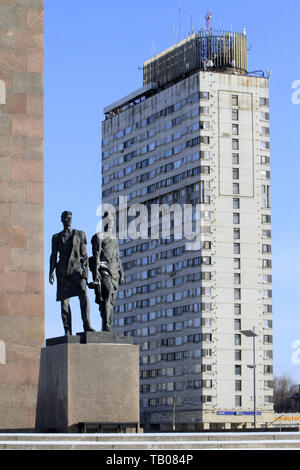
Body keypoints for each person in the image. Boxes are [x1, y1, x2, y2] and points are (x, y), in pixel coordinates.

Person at [49, 211, 94, 335]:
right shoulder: (56, 237)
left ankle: (87, 325)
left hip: (77, 271)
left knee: (84, 293)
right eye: (66, 217)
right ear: (62, 220)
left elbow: (85, 255)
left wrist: (86, 272)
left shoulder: (80, 234)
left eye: (70, 217)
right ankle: (67, 330)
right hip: (62, 272)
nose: (68, 219)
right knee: (64, 302)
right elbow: (53, 255)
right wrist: (51, 271)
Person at [89, 211, 124, 332]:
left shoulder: (114, 238)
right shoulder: (99, 236)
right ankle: (107, 324)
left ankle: (107, 324)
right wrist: (95, 275)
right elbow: (96, 254)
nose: (110, 224)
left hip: (114, 271)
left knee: (110, 300)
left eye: (112, 222)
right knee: (107, 295)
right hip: (103, 269)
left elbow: (118, 257)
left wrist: (121, 273)